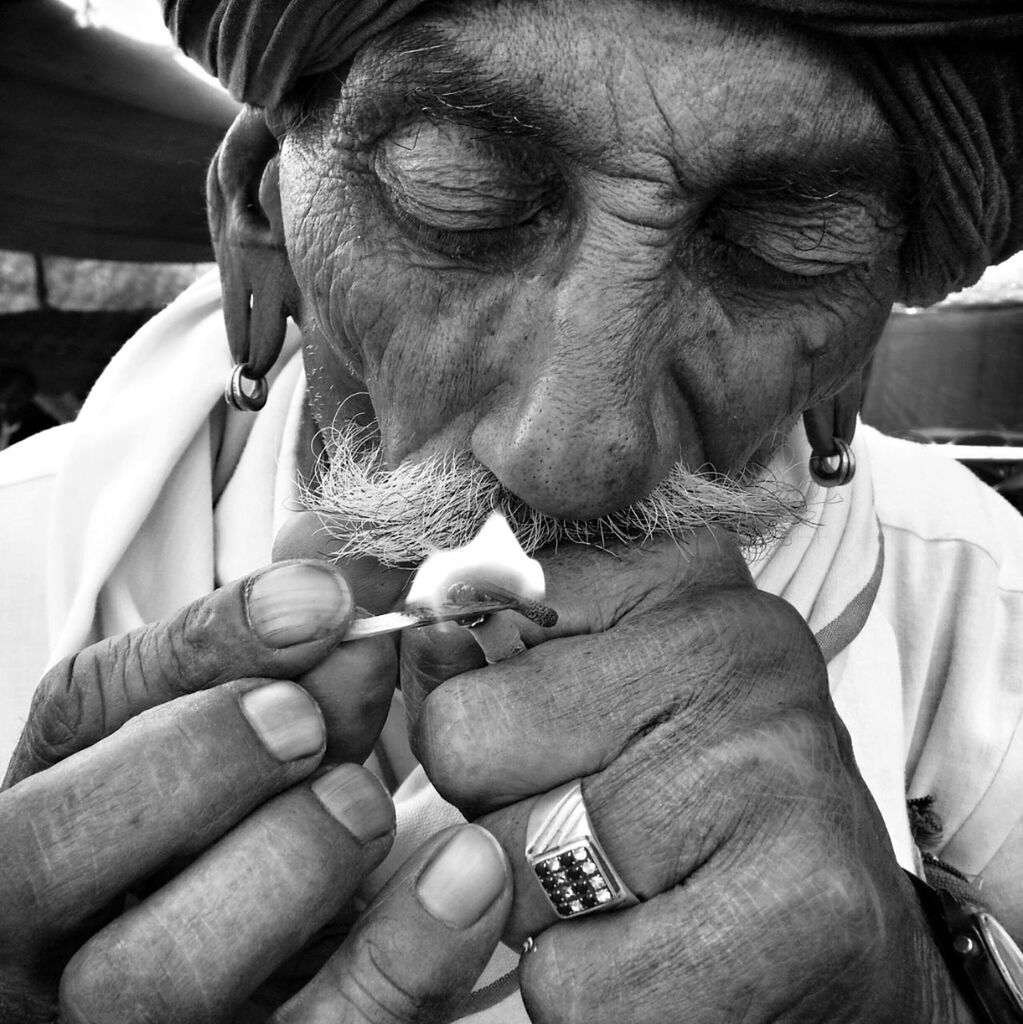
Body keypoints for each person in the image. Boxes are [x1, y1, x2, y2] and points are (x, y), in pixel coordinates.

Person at [2, 1, 1022, 1021]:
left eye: (789, 250)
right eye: (459, 204)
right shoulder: (22, 550)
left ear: (862, 336)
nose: (574, 456)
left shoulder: (978, 594)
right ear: (258, 222)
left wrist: (923, 992)